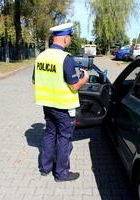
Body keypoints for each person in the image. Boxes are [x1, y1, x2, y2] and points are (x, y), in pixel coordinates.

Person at [32, 22, 89, 182]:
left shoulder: (41, 56)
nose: (70, 41)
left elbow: (34, 81)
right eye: (70, 38)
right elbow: (74, 85)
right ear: (65, 38)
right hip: (64, 107)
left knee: (50, 134)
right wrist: (84, 79)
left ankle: (45, 168)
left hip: (47, 105)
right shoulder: (65, 58)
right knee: (64, 139)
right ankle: (61, 173)